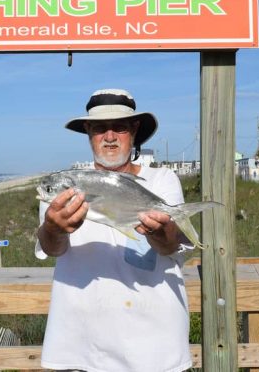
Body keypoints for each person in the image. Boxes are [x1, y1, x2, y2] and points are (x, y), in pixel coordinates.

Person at [36, 88, 193, 372]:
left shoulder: (161, 180)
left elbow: (171, 246)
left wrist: (159, 230)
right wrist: (54, 228)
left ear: (134, 130)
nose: (109, 136)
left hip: (155, 348)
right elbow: (52, 248)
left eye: (119, 127)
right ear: (88, 131)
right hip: (80, 347)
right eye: (99, 128)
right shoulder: (63, 187)